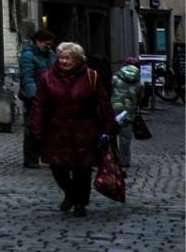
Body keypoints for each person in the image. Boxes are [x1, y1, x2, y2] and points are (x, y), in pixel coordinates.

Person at [29, 40, 113, 218]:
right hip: (56, 130)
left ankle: (80, 204)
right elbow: (39, 105)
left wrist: (109, 126)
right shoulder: (47, 78)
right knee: (57, 167)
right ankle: (71, 193)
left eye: (69, 58)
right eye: (62, 58)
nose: (65, 61)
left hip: (85, 129)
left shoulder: (91, 76)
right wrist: (36, 129)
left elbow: (104, 102)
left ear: (79, 59)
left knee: (82, 169)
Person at [17, 28, 55, 167]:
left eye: (50, 44)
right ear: (38, 41)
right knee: (32, 127)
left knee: (49, 127)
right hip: (35, 97)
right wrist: (34, 96)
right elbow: (27, 78)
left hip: (50, 96)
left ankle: (45, 155)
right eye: (46, 43)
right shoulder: (28, 55)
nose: (48, 46)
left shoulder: (51, 55)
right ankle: (31, 158)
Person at [111, 56, 141, 169]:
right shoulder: (140, 83)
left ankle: (111, 158)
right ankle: (124, 161)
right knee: (125, 138)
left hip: (113, 110)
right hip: (128, 113)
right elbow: (141, 98)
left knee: (110, 135)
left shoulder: (114, 79)